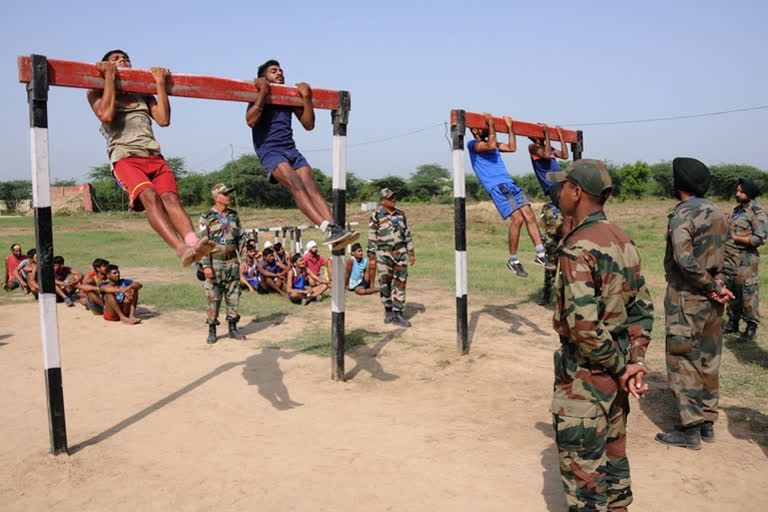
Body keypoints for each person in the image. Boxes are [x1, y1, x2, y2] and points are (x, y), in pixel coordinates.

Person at [547, 159, 654, 512]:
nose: (558, 192)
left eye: (562, 186)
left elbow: (585, 330)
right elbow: (642, 309)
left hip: (585, 379)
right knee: (614, 461)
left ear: (577, 192)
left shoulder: (578, 247)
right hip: (617, 375)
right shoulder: (623, 240)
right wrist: (633, 362)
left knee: (585, 481)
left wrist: (622, 369)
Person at [87, 49, 214, 266]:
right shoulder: (96, 90)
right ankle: (180, 248)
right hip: (125, 156)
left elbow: (163, 119)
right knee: (150, 197)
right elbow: (106, 116)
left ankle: (194, 242)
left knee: (172, 199)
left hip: (153, 155)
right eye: (115, 59)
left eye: (125, 58)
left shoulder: (142, 92)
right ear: (105, 64)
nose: (122, 61)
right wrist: (109, 77)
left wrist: (159, 84)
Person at [656, 157, 734, 450]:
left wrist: (709, 286)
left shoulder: (682, 214)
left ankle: (690, 429)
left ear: (679, 185)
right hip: (714, 301)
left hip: (687, 298)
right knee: (709, 359)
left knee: (683, 360)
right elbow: (729, 254)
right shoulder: (719, 212)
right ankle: (707, 424)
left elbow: (684, 259)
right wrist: (719, 285)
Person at [246, 59, 357, 249]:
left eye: (281, 70)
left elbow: (309, 125)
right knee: (296, 184)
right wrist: (263, 92)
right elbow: (251, 121)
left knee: (311, 185)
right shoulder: (257, 93)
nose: (279, 73)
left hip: (290, 148)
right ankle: (326, 228)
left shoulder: (289, 95)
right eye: (273, 71)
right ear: (263, 77)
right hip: (271, 151)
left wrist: (306, 97)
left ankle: (335, 229)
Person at [467, 113, 553, 277]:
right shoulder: (474, 145)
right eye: (482, 127)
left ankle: (541, 254)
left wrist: (510, 127)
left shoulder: (491, 143)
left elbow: (512, 147)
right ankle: (513, 260)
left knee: (529, 215)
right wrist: (492, 124)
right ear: (475, 130)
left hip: (509, 184)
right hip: (497, 186)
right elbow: (491, 145)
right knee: (518, 219)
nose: (485, 129)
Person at [197, 184, 246, 344]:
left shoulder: (234, 215)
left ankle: (233, 328)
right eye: (224, 194)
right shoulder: (206, 217)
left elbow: (241, 238)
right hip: (215, 262)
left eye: (228, 194)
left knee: (233, 296)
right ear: (216, 197)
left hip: (232, 262)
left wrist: (244, 260)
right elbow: (203, 243)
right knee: (214, 297)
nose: (228, 196)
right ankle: (212, 329)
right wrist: (206, 266)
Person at [721, 177, 768, 343]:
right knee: (732, 288)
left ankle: (750, 326)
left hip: (747, 257)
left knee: (748, 291)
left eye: (741, 191)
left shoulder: (757, 212)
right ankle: (732, 322)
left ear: (749, 193)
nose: (738, 193)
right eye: (737, 191)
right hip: (732, 256)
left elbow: (759, 238)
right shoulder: (737, 210)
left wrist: (734, 238)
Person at [529, 124, 570, 304]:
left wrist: (559, 136)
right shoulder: (534, 148)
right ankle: (546, 294)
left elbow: (565, 155)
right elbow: (546, 155)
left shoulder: (549, 148)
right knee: (551, 257)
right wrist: (546, 135)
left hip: (561, 184)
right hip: (551, 185)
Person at [368, 188, 415, 327]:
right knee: (384, 283)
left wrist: (411, 252)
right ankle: (388, 310)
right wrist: (371, 256)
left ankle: (398, 313)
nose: (393, 200)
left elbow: (407, 234)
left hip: (400, 253)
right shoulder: (376, 215)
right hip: (383, 254)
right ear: (383, 201)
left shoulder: (401, 215)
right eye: (389, 198)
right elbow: (371, 236)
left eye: (394, 198)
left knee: (401, 283)